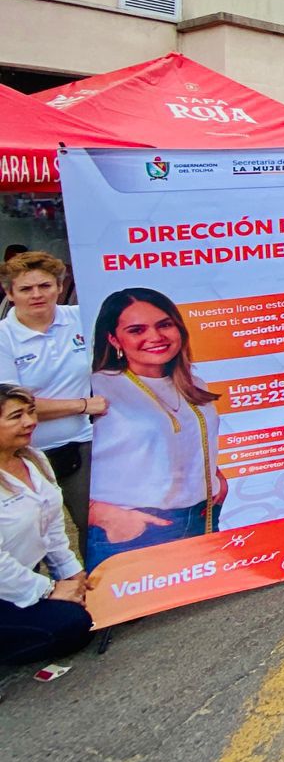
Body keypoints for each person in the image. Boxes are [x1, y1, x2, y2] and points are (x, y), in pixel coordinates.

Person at [86, 288, 223, 568]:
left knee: (199, 608)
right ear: (113, 339)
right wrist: (101, 515)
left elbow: (188, 438)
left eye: (164, 325)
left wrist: (216, 477)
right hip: (136, 529)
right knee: (135, 612)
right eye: (137, 330)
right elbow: (57, 459)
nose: (155, 337)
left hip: (202, 517)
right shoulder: (95, 387)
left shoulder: (193, 383)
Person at [0, 252, 99, 544]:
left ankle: (94, 586)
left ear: (59, 286)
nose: (37, 295)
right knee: (30, 537)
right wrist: (82, 405)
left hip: (82, 443)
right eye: (26, 289)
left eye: (45, 285)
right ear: (9, 293)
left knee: (92, 526)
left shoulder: (82, 318)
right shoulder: (4, 338)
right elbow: (13, 407)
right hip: (22, 454)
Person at [0, 385, 92, 664]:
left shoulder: (35, 459)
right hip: (9, 583)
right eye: (16, 416)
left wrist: (72, 575)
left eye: (30, 412)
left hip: (22, 577)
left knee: (88, 609)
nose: (30, 422)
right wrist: (50, 590)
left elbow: (52, 529)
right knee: (71, 625)